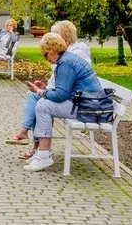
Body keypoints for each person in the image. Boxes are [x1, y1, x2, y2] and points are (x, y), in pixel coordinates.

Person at [24, 33, 103, 171]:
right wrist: (44, 90)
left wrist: (40, 91)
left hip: (88, 108)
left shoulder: (65, 63)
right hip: (89, 103)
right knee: (42, 103)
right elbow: (63, 91)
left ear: (53, 51)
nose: (46, 59)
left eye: (46, 54)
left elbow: (61, 95)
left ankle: (43, 156)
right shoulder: (67, 59)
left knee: (43, 106)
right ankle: (43, 153)